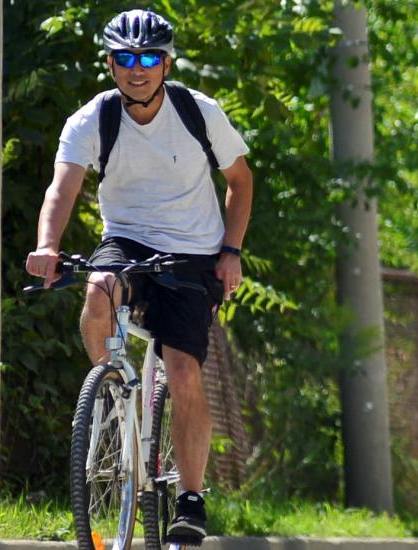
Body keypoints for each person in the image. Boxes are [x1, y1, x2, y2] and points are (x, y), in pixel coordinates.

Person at [24, 9, 252, 542]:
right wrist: (46, 245)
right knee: (98, 291)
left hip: (194, 250)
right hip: (128, 237)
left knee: (182, 369)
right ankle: (113, 390)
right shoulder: (92, 119)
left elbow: (240, 181)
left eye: (149, 58)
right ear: (110, 63)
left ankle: (191, 499)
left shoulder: (199, 112)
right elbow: (63, 189)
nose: (137, 69)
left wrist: (231, 250)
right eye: (125, 59)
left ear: (166, 62)